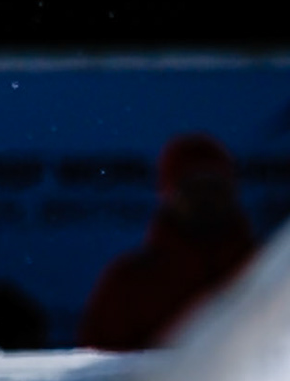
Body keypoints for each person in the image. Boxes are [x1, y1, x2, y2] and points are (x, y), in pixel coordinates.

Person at [79, 133, 258, 350]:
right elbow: (97, 373)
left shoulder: (267, 273)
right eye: (190, 188)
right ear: (168, 195)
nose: (205, 199)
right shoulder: (128, 282)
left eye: (214, 187)